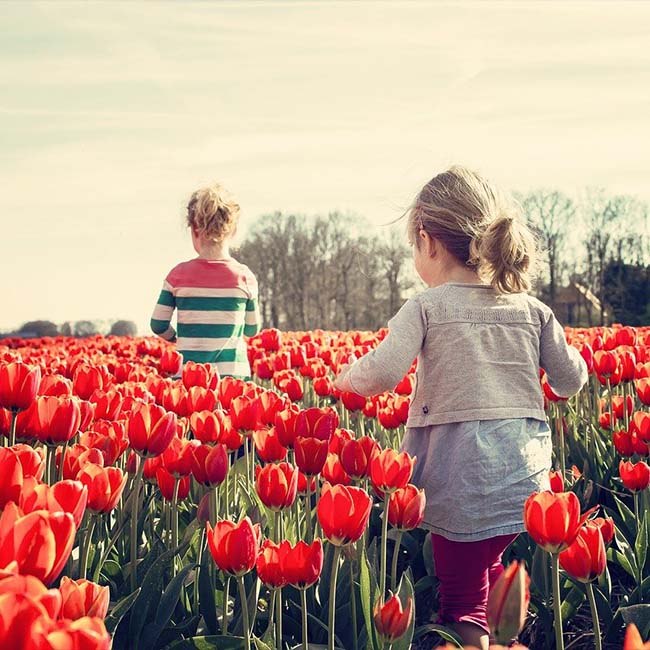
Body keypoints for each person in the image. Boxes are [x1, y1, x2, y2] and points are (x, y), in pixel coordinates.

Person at [334, 166, 587, 650]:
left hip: (460, 477)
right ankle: (501, 637)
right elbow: (572, 379)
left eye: (414, 246)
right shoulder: (532, 309)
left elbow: (382, 374)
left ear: (427, 241)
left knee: (463, 600)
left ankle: (476, 641)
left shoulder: (427, 307)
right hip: (525, 479)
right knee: (491, 571)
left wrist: (345, 376)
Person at [150, 182, 261, 379]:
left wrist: (177, 338)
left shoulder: (178, 275)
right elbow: (252, 329)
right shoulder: (244, 277)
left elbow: (158, 324)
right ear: (233, 230)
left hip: (188, 377)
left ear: (194, 230)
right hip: (232, 376)